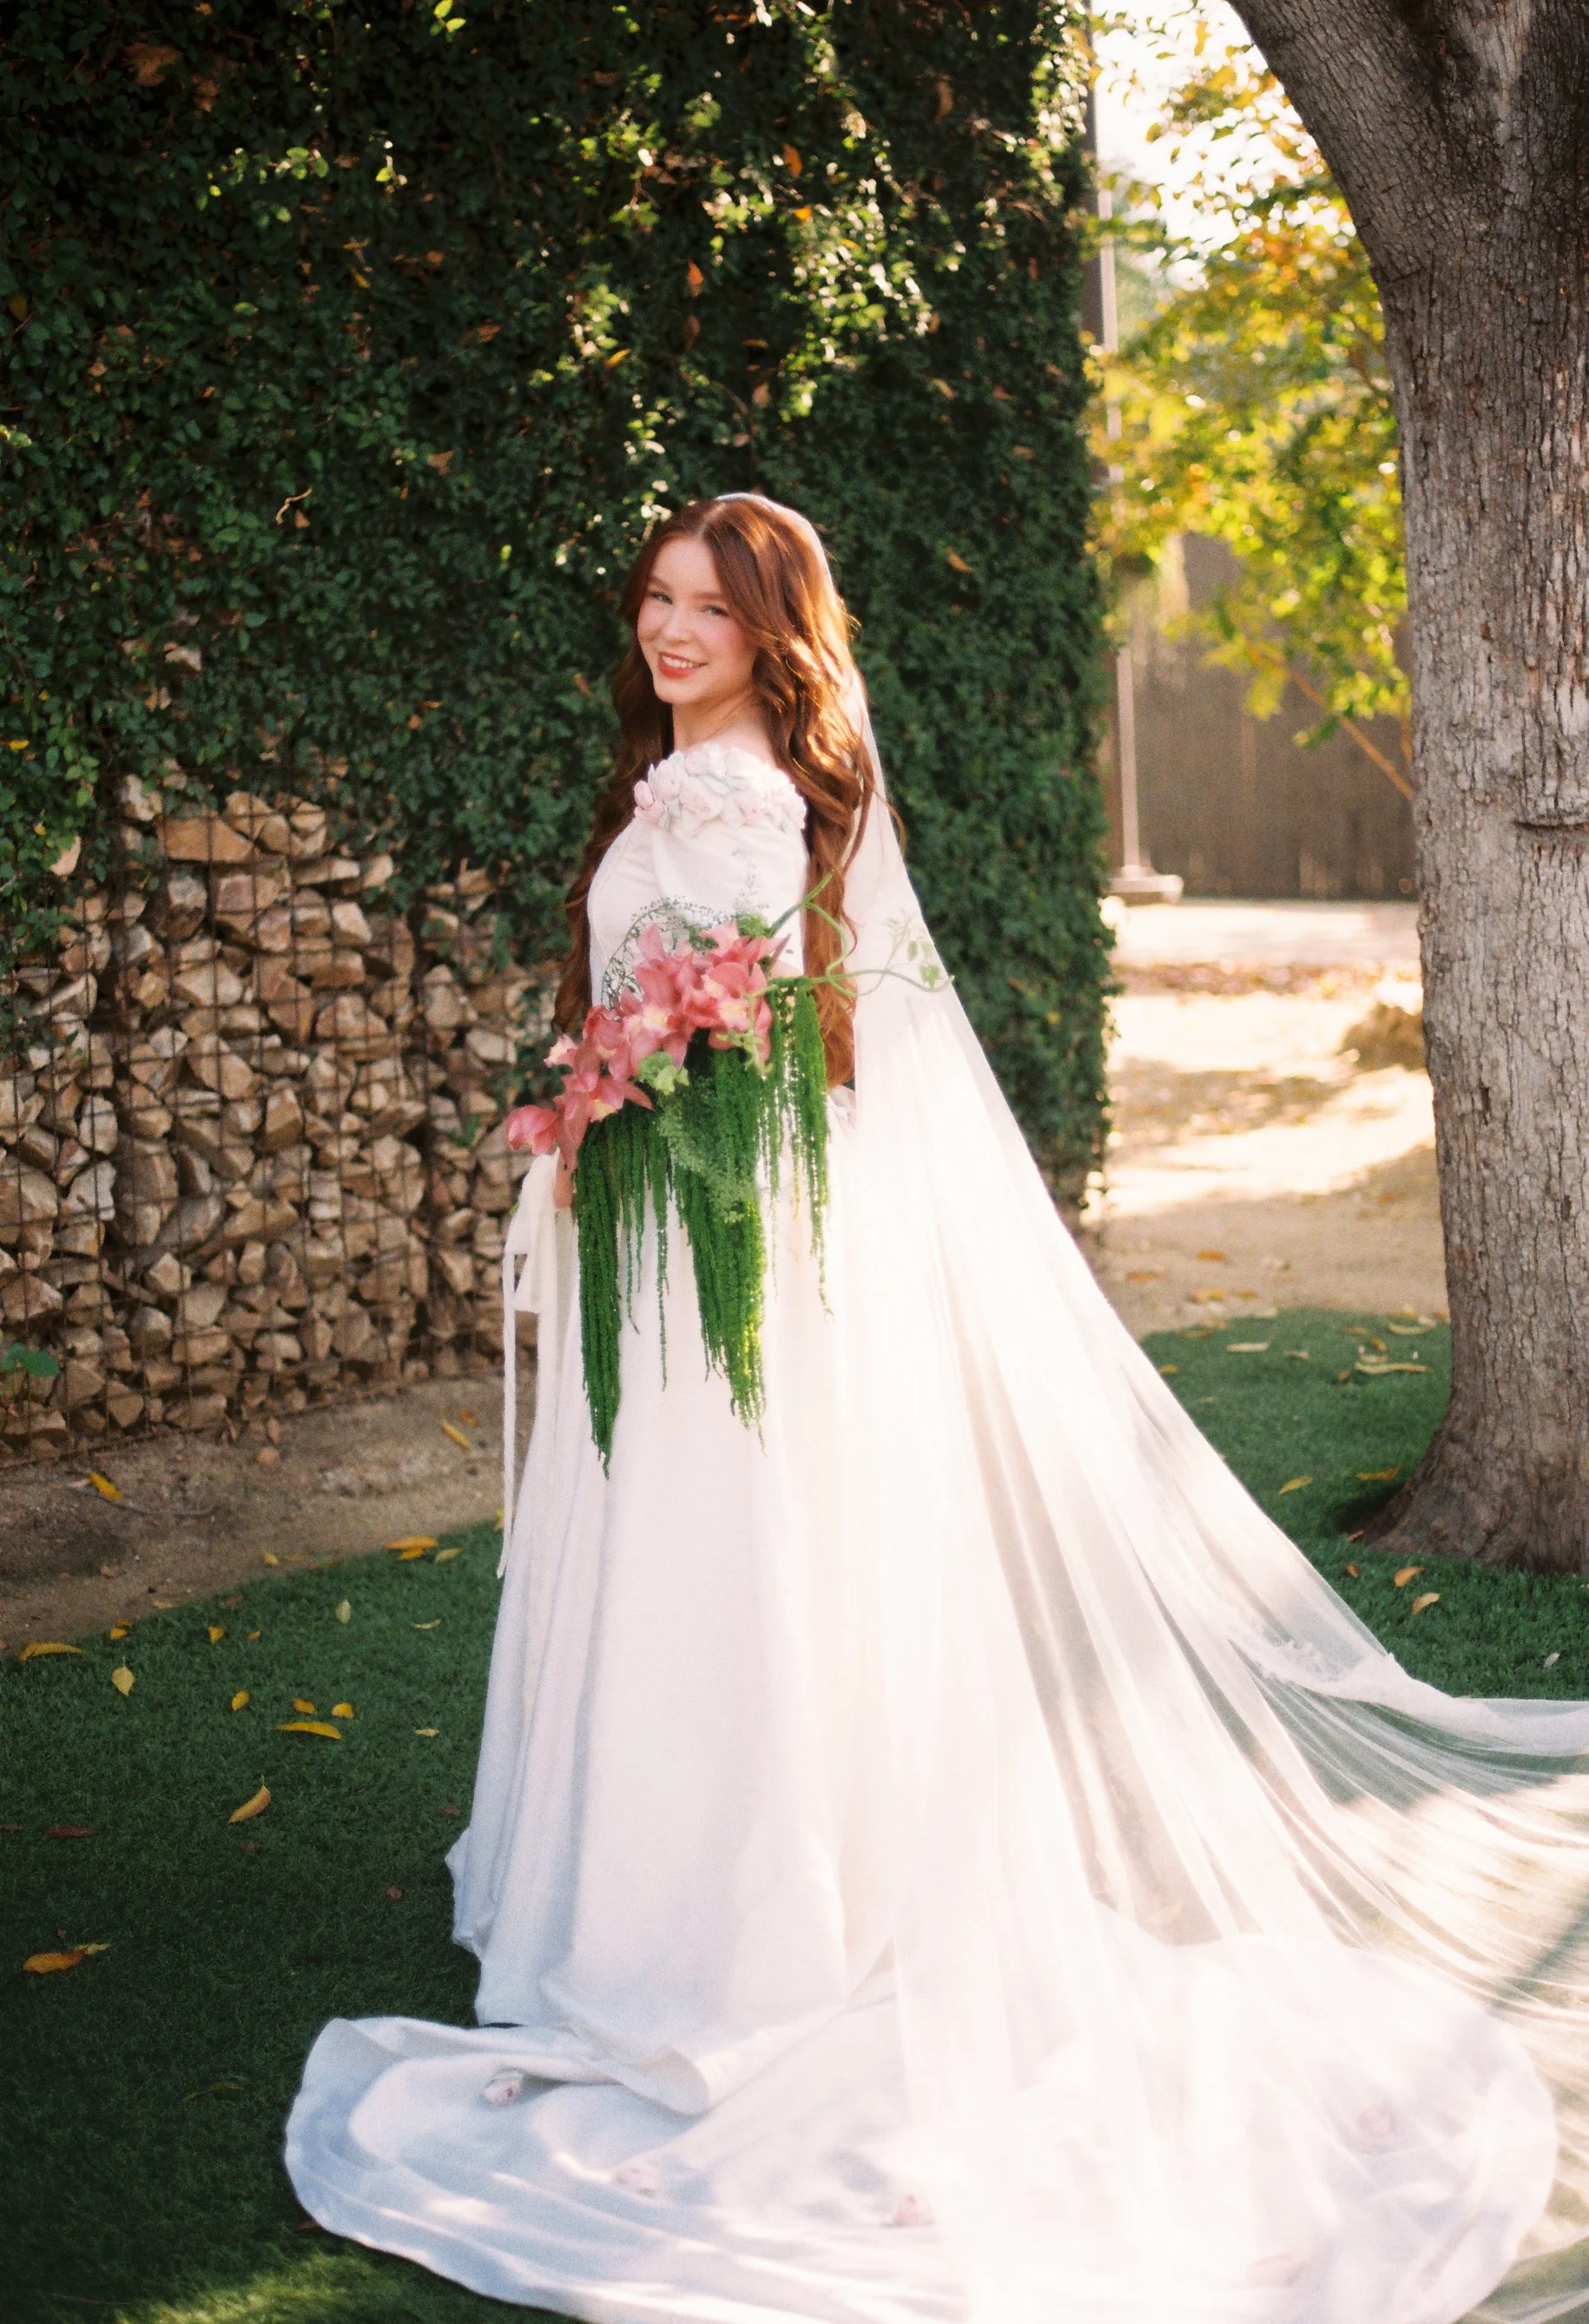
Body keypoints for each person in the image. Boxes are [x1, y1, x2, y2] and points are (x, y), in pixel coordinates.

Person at [287, 495, 1589, 2324]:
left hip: (709, 1230)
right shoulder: (714, 782)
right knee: (725, 1552)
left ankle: (718, 1921)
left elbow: (732, 1030)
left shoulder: (727, 796)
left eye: (710, 609)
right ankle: (725, 1879)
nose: (671, 631)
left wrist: (612, 1103)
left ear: (772, 635)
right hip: (693, 1219)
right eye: (657, 599)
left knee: (712, 1553)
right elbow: (720, 1019)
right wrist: (599, 1113)